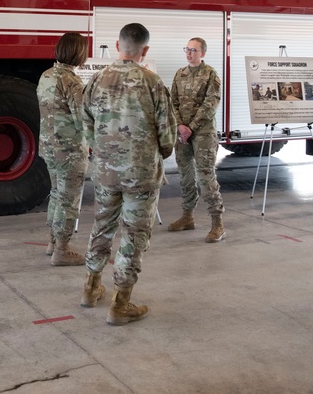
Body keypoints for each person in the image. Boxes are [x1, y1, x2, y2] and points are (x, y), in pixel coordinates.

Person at [79, 23, 176, 325]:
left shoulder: (97, 79)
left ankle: (91, 288)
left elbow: (86, 124)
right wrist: (156, 154)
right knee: (134, 235)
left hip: (106, 172)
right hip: (141, 175)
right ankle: (121, 304)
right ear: (145, 50)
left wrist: (103, 154)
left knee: (102, 226)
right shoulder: (153, 82)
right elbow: (168, 134)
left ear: (117, 46)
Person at [36, 32, 89, 266]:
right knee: (68, 200)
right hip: (69, 151)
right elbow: (82, 120)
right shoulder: (71, 81)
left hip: (49, 147)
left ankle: (52, 242)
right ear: (78, 53)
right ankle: (62, 251)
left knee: (56, 195)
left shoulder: (46, 75)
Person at [167, 37, 226, 242]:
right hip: (182, 131)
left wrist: (190, 127)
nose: (189, 53)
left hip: (203, 133)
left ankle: (217, 223)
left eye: (193, 50)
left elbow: (211, 104)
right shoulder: (179, 74)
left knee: (205, 176)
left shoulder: (210, 74)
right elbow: (171, 101)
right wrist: (180, 126)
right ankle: (187, 217)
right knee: (185, 175)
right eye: (187, 49)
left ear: (203, 53)